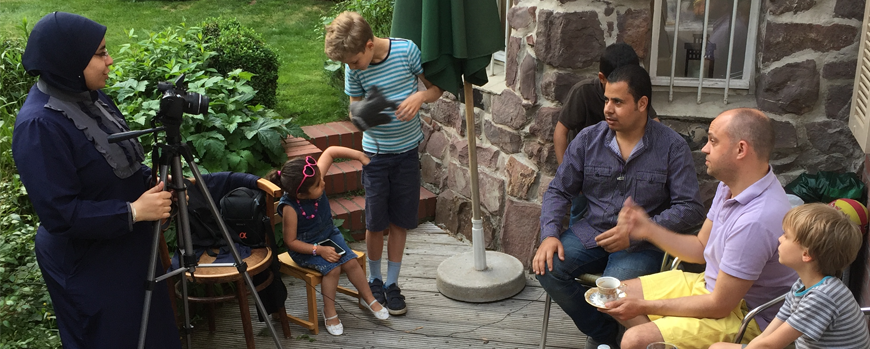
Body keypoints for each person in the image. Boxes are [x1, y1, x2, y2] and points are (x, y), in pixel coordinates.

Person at [11, 12, 180, 349]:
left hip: (130, 250)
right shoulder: (40, 125)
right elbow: (60, 214)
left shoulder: (91, 95)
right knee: (113, 338)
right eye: (100, 53)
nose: (109, 60)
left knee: (153, 333)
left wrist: (156, 186)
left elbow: (117, 165)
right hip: (89, 267)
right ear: (70, 59)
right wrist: (132, 212)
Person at [535, 64, 705, 349]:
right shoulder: (588, 140)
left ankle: (618, 334)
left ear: (642, 104)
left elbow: (691, 208)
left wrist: (640, 231)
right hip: (593, 233)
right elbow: (558, 190)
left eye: (618, 102)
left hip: (641, 246)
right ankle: (604, 333)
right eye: (606, 100)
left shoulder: (672, 146)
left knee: (618, 288)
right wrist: (550, 234)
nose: (608, 109)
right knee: (546, 268)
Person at [601, 108, 798, 349]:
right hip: (712, 286)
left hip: (748, 316)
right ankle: (663, 339)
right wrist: (648, 229)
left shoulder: (756, 219)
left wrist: (645, 307)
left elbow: (719, 305)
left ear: (741, 149)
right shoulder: (731, 186)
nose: (704, 148)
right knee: (612, 295)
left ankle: (656, 338)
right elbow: (700, 248)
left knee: (635, 340)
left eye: (713, 141)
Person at [324, 11, 444, 315]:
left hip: (406, 154)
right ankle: (374, 280)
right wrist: (368, 112)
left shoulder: (406, 51)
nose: (351, 68)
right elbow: (354, 109)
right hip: (374, 156)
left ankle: (392, 284)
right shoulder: (355, 68)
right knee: (376, 222)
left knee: (400, 221)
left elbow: (435, 88)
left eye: (353, 62)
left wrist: (419, 98)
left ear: (367, 45)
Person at [267, 146, 390, 336]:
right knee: (332, 269)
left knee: (350, 261)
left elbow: (331, 152)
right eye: (318, 185)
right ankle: (329, 311)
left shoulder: (314, 179)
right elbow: (291, 242)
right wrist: (319, 250)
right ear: (301, 195)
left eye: (321, 179)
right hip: (305, 248)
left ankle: (368, 298)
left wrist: (359, 156)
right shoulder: (290, 208)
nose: (323, 183)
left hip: (329, 235)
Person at [710, 203, 870, 349]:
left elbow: (769, 345)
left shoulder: (823, 297)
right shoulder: (802, 284)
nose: (780, 239)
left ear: (806, 254)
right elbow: (767, 335)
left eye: (786, 236)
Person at [553, 43, 659, 227]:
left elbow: (655, 125)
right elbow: (561, 132)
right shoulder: (583, 92)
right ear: (602, 78)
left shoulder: (634, 95)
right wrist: (569, 176)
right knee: (579, 225)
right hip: (586, 175)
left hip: (620, 178)